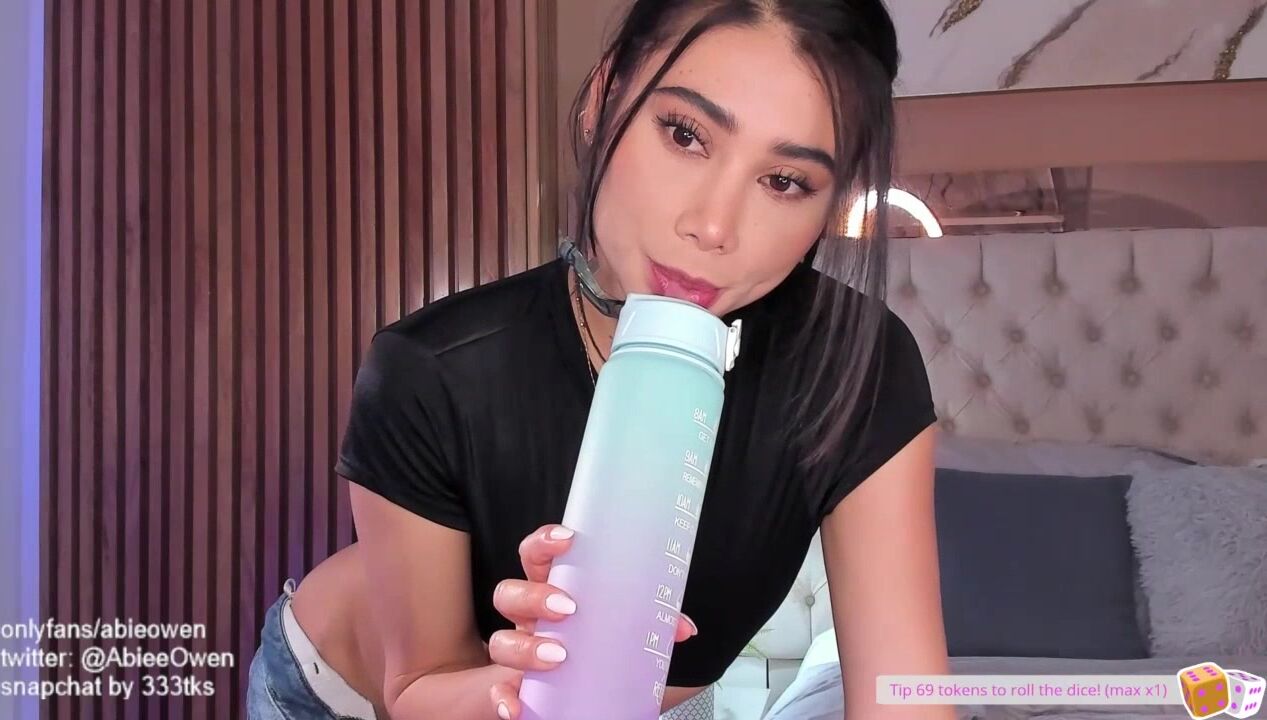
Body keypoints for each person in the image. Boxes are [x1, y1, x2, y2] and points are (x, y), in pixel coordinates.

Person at [246, 1, 953, 718]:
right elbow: (415, 687)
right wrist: (528, 686)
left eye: (784, 181)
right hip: (338, 693)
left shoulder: (855, 367)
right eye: (685, 135)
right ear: (604, 96)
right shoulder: (434, 369)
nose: (712, 226)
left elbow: (903, 694)